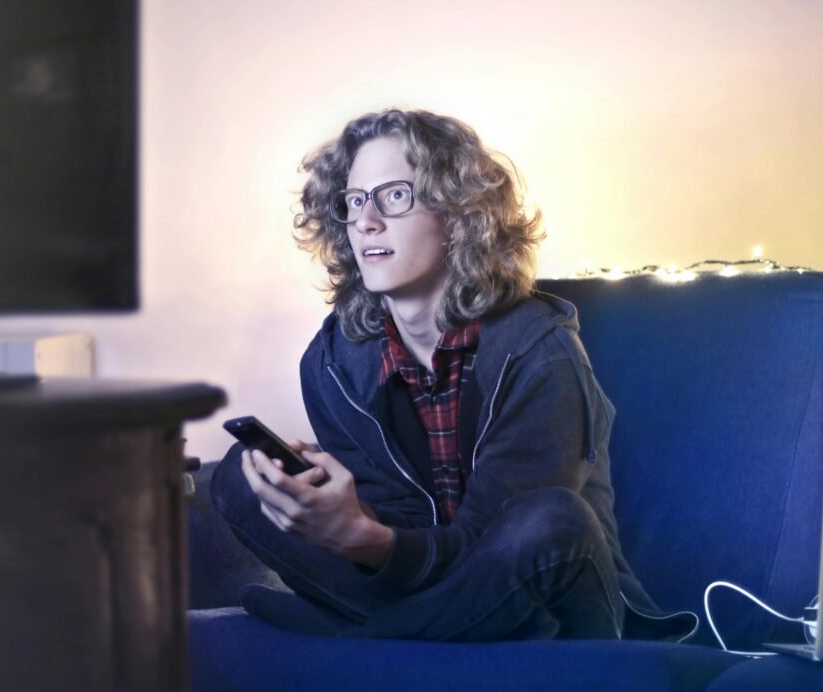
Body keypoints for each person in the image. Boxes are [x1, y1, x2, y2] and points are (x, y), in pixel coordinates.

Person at [211, 109, 697, 642]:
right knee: (242, 471)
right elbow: (400, 538)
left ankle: (373, 635)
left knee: (554, 521)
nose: (367, 221)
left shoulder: (540, 355)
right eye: (354, 201)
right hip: (418, 587)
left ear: (460, 215)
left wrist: (359, 537)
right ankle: (404, 633)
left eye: (394, 196)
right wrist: (342, 513)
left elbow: (494, 545)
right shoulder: (334, 363)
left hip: (546, 605)